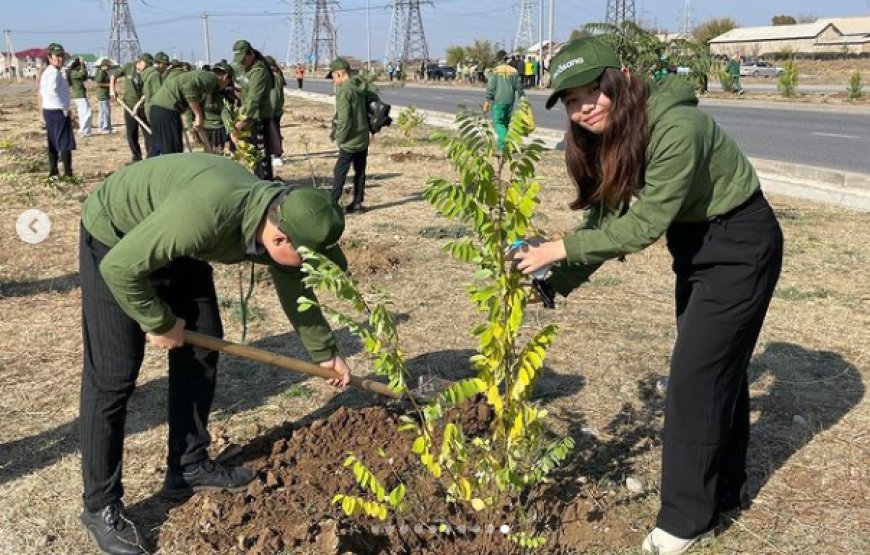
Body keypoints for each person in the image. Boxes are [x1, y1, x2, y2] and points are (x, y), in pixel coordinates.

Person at [509, 38, 783, 555]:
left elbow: (642, 226)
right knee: (717, 369)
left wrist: (555, 248)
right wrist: (553, 278)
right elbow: (607, 219)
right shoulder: (617, 133)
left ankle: (685, 520)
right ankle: (725, 490)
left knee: (695, 376)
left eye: (593, 91)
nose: (583, 107)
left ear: (623, 78)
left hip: (741, 243)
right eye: (570, 100)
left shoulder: (678, 128)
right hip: (697, 244)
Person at [78, 153, 353, 555]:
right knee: (114, 373)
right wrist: (157, 319)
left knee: (204, 341)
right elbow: (121, 268)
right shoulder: (209, 214)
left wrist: (325, 353)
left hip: (172, 232)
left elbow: (295, 283)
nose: (314, 270)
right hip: (115, 236)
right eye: (312, 260)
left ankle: (187, 466)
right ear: (280, 238)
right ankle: (99, 505)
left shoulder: (279, 213)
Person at [327, 57, 378, 213]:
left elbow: (344, 119)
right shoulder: (360, 87)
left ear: (340, 74)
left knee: (340, 172)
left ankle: (333, 204)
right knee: (360, 171)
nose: (333, 81)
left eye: (333, 77)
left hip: (350, 139)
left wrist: (339, 138)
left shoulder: (344, 91)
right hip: (362, 136)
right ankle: (357, 203)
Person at [149, 69, 230, 155]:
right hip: (166, 109)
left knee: (158, 146)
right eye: (227, 83)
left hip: (159, 109)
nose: (224, 87)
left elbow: (190, 100)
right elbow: (189, 87)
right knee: (172, 150)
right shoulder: (212, 78)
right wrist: (198, 115)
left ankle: (147, 166)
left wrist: (192, 126)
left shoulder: (198, 78)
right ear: (225, 77)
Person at [232, 39, 275, 180]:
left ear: (250, 54)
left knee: (262, 153)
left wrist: (244, 118)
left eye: (243, 59)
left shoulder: (259, 72)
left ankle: (266, 183)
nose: (241, 63)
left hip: (259, 116)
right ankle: (258, 179)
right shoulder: (246, 69)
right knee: (253, 153)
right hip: (251, 116)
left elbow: (254, 98)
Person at [38, 43, 75, 180]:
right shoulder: (53, 72)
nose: (59, 59)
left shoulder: (49, 71)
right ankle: (68, 173)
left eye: (61, 56)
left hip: (49, 111)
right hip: (57, 111)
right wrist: (64, 108)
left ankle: (53, 171)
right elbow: (52, 91)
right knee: (65, 142)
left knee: (53, 142)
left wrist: (41, 113)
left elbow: (41, 93)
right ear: (49, 57)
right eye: (56, 56)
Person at [110, 52, 153, 163]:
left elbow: (146, 93)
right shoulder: (128, 67)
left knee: (148, 132)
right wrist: (112, 90)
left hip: (142, 106)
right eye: (146, 64)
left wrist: (138, 105)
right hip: (128, 105)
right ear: (139, 62)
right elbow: (113, 76)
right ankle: (136, 155)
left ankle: (151, 155)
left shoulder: (148, 74)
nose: (147, 67)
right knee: (131, 132)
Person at [483, 56, 525, 151]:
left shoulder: (495, 71)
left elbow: (491, 87)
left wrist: (487, 101)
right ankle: (503, 143)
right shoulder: (514, 71)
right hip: (510, 101)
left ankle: (504, 145)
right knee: (505, 123)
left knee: (498, 122)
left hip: (498, 101)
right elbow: (519, 87)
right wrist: (522, 98)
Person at [266, 55, 286, 169]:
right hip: (274, 110)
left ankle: (277, 156)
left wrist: (271, 111)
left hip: (272, 111)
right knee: (274, 133)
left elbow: (274, 96)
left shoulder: (274, 77)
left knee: (274, 134)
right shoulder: (276, 75)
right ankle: (275, 154)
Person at [67, 56, 92, 137]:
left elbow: (85, 76)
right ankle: (84, 131)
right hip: (79, 95)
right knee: (86, 113)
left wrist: (83, 65)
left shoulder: (75, 73)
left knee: (83, 113)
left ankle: (84, 130)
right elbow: (83, 74)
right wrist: (82, 64)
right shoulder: (73, 73)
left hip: (81, 95)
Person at [93, 57, 113, 133]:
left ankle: (107, 126)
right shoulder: (101, 72)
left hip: (105, 95)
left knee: (107, 111)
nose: (109, 67)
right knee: (104, 112)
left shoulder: (104, 72)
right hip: (102, 95)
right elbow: (98, 83)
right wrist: (109, 85)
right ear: (104, 65)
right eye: (108, 65)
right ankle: (103, 128)